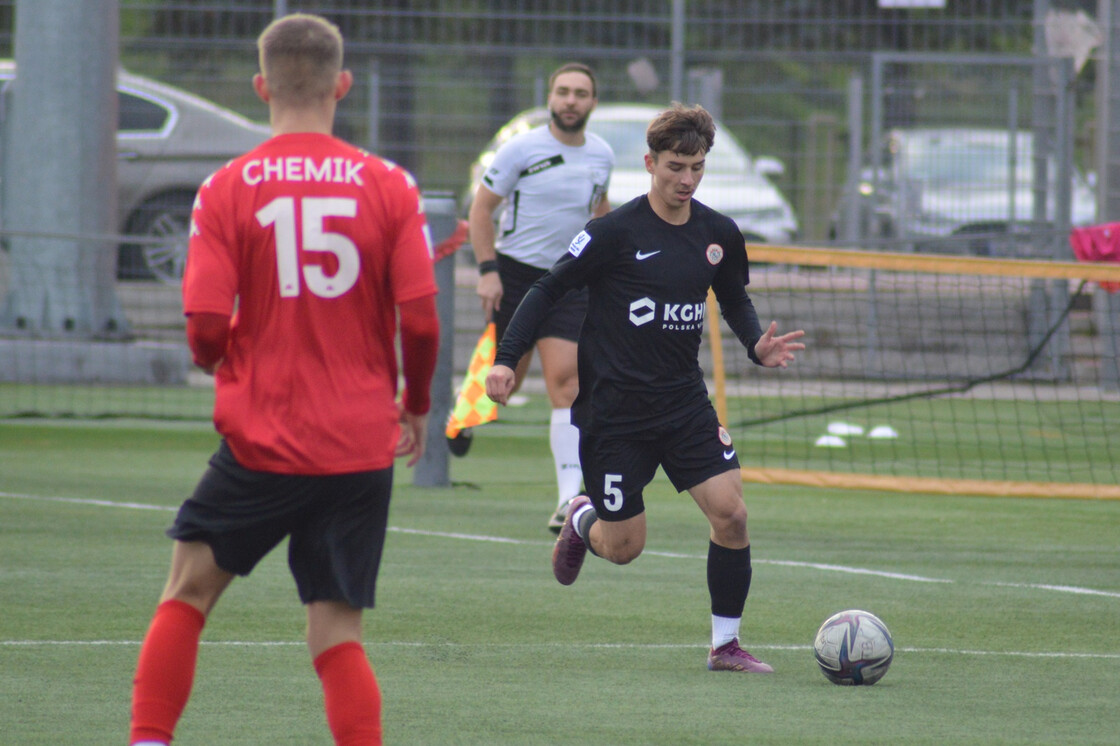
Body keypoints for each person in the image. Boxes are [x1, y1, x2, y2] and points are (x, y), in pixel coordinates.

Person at [128, 14, 439, 746]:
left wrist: (227, 363)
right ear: (344, 85)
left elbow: (203, 325)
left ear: (261, 86)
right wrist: (415, 407)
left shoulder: (226, 188)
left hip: (262, 437)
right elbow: (422, 324)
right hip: (361, 441)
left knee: (188, 595)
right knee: (336, 633)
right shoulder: (391, 185)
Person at [485, 103, 804, 673]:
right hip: (614, 416)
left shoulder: (718, 234)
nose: (686, 179)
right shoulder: (612, 233)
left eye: (697, 168)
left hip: (683, 405)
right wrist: (507, 360)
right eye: (676, 166)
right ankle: (585, 518)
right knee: (625, 548)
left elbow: (733, 299)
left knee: (731, 515)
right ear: (650, 162)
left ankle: (725, 645)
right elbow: (545, 290)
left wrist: (755, 344)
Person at [467, 62, 615, 532]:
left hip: (568, 280)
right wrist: (488, 271)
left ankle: (569, 500)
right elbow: (481, 209)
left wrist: (608, 264)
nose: (571, 101)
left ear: (593, 102)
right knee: (501, 385)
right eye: (563, 92)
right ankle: (463, 419)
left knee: (567, 382)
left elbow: (600, 210)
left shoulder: (601, 154)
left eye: (581, 93)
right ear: (551, 98)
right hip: (514, 277)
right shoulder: (521, 148)